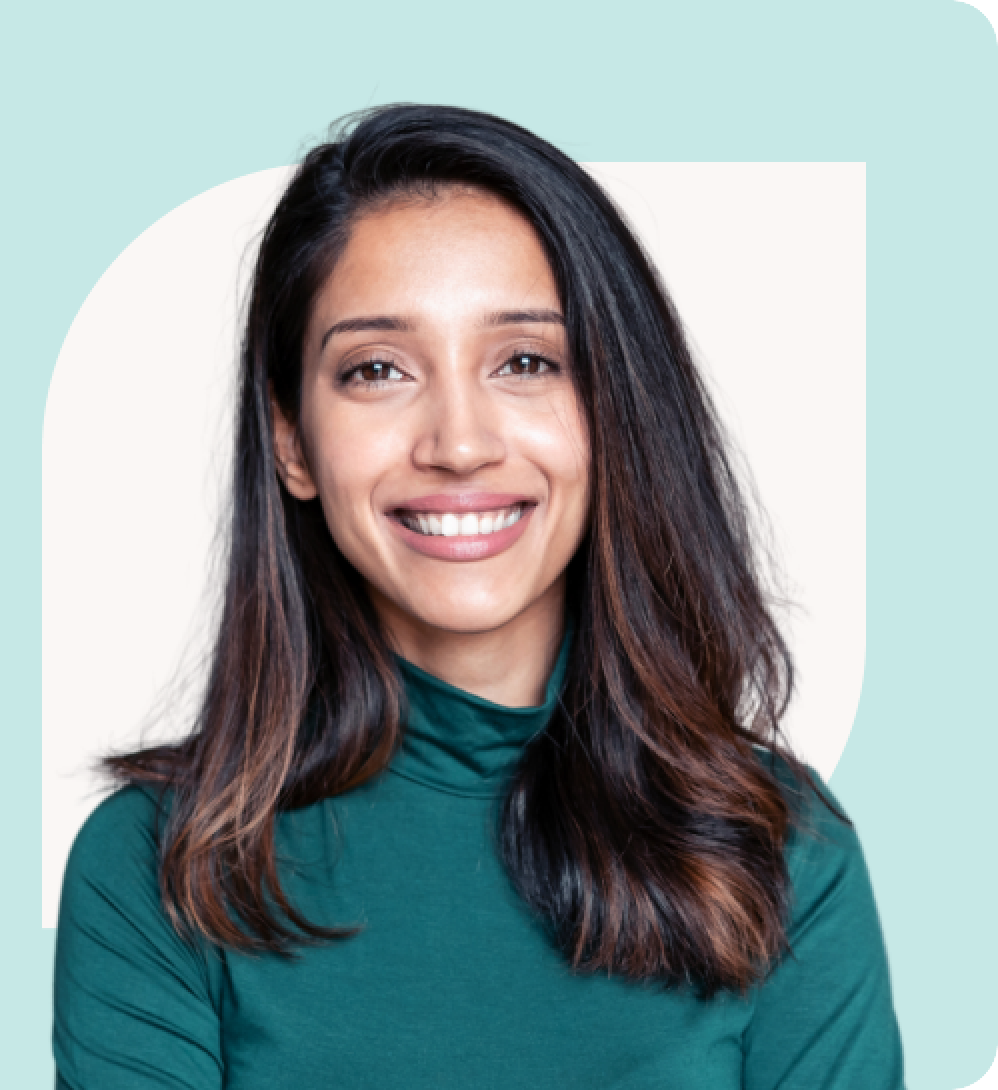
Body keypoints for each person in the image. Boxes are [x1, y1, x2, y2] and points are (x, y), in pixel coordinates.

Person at [52, 104, 903, 1089]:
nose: (458, 442)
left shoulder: (785, 853)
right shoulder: (157, 869)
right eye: (376, 369)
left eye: (525, 362)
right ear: (291, 440)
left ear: (610, 409)